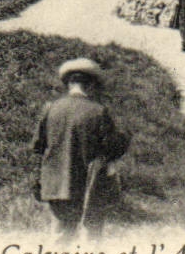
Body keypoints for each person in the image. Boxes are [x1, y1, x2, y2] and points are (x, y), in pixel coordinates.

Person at [33, 57, 131, 241]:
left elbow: (38, 147)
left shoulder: (50, 109)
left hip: (57, 183)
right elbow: (111, 148)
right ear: (91, 84)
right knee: (91, 239)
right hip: (90, 185)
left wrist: (38, 180)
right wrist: (125, 138)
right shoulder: (98, 111)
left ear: (69, 83)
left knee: (60, 238)